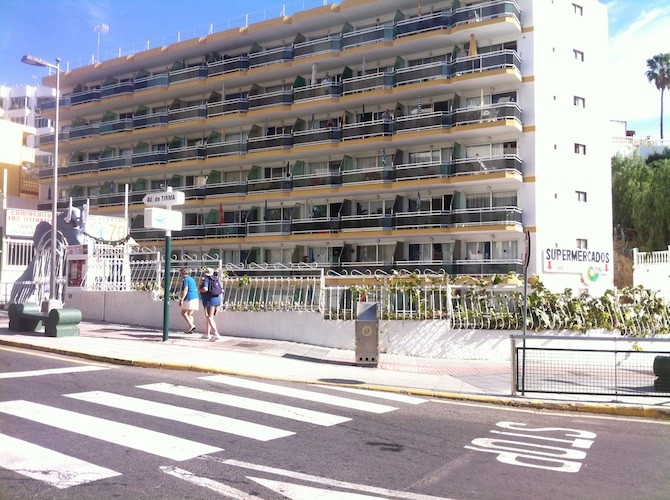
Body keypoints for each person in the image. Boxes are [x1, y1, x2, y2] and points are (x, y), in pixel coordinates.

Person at [200, 267, 222, 341]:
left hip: (209, 301)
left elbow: (205, 289)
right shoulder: (216, 279)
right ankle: (207, 333)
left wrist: (200, 290)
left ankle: (216, 334)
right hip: (217, 300)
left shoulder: (206, 280)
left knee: (210, 317)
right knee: (208, 317)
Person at [178, 268, 199, 333]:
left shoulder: (185, 280)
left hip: (189, 297)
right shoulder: (192, 279)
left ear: (183, 273)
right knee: (190, 313)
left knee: (183, 313)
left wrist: (182, 299)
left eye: (180, 273)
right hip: (195, 297)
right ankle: (190, 329)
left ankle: (192, 325)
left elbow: (186, 290)